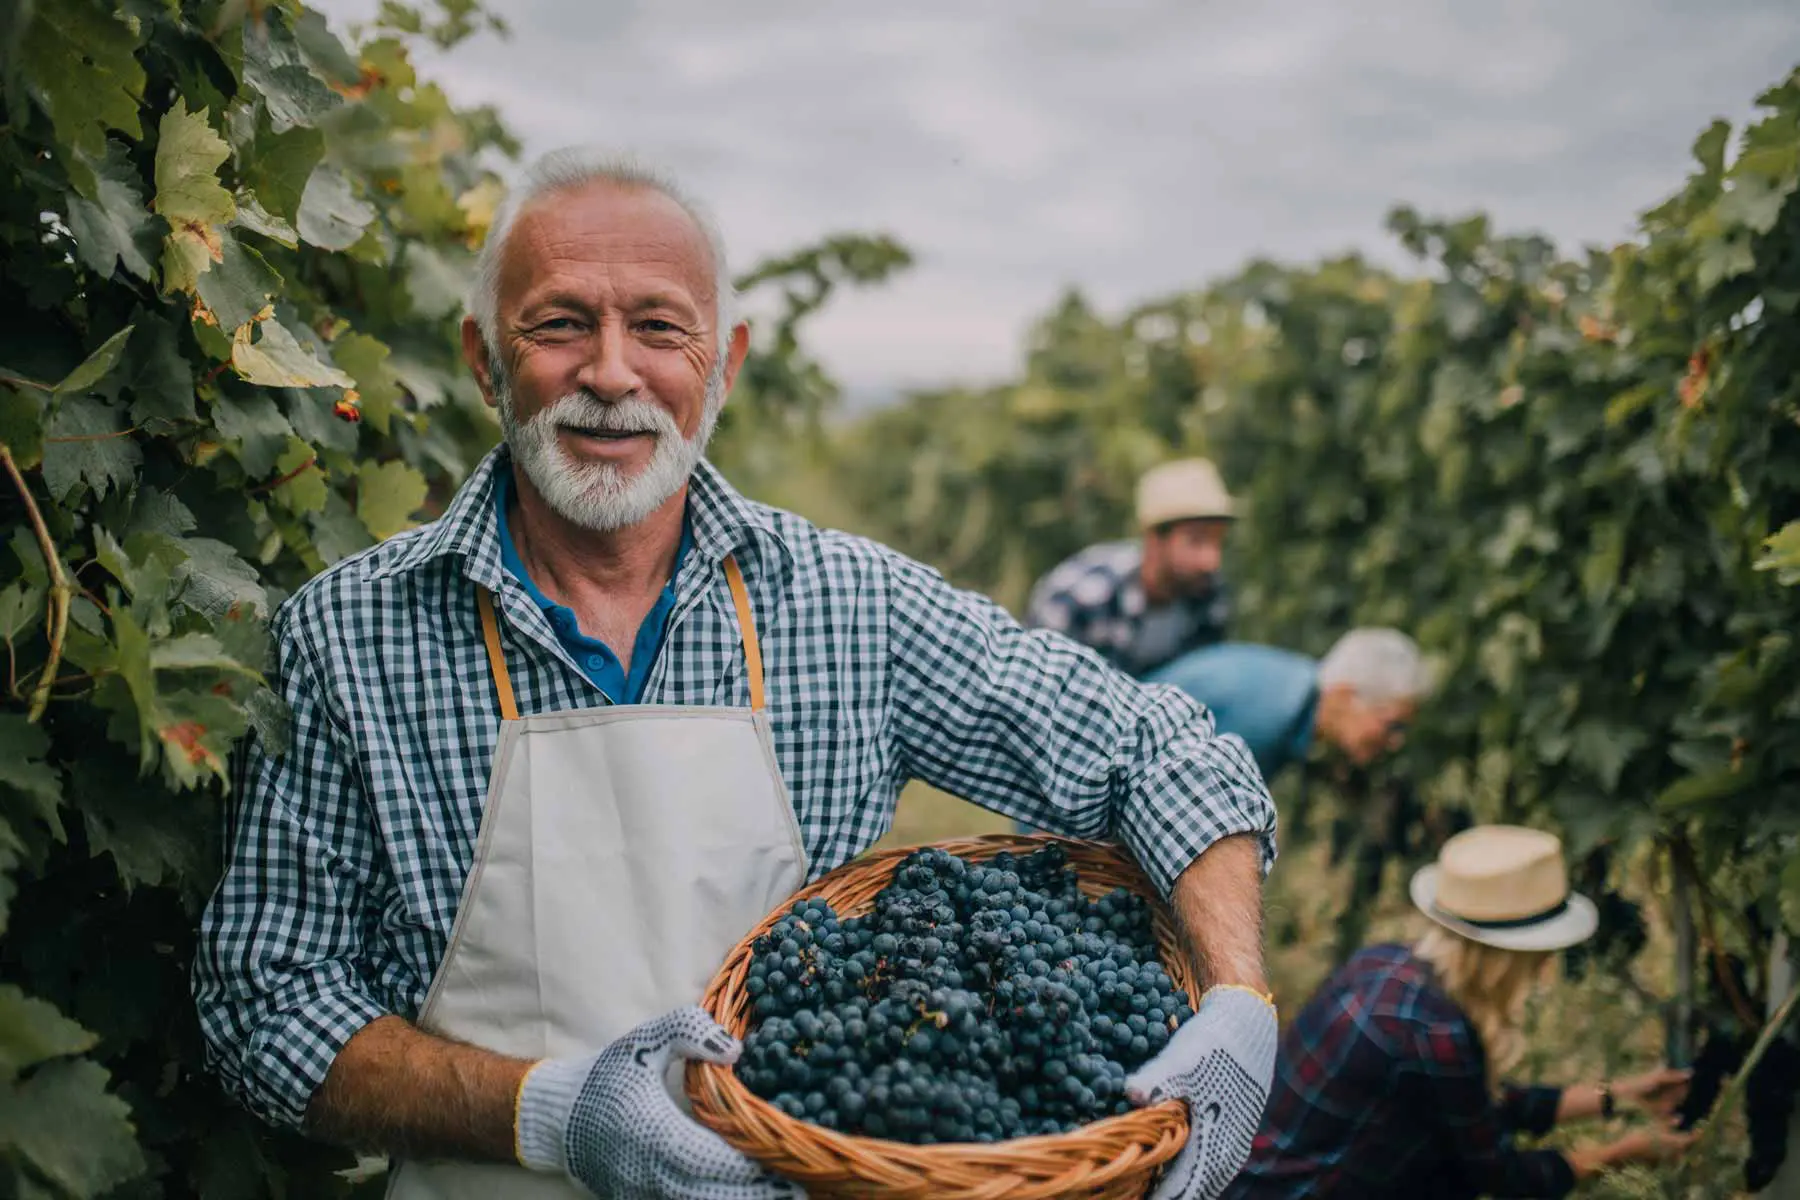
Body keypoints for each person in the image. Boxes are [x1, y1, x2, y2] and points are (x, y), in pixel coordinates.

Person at [190, 148, 1282, 1200]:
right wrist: (551, 1114)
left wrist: (1239, 1000)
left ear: (726, 363)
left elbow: (1162, 751)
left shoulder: (854, 606)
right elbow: (265, 1005)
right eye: (561, 324)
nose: (612, 373)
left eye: (660, 328)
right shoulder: (349, 636)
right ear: (485, 359)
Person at [1223, 824, 1696, 1199]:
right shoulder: (1434, 1032)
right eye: (1541, 953)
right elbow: (1498, 1173)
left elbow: (1471, 1101)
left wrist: (1619, 1096)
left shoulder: (1386, 963)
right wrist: (1626, 1152)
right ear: (1512, 958)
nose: (1548, 964)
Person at [1025, 457, 1235, 678]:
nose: (1212, 561)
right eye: (1197, 541)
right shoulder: (1080, 598)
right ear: (1155, 539)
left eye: (1218, 542)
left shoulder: (1208, 595)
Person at [1141, 628, 1430, 784]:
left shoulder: (1295, 692)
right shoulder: (1268, 718)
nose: (1395, 742)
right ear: (1345, 695)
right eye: (1392, 724)